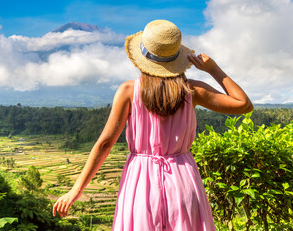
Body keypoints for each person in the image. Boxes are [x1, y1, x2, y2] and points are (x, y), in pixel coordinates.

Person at [53, 20, 253, 230]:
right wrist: (213, 69)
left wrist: (76, 190)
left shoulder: (129, 91)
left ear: (144, 55)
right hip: (182, 179)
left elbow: (105, 144)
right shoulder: (193, 90)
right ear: (178, 56)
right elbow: (243, 104)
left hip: (140, 182)